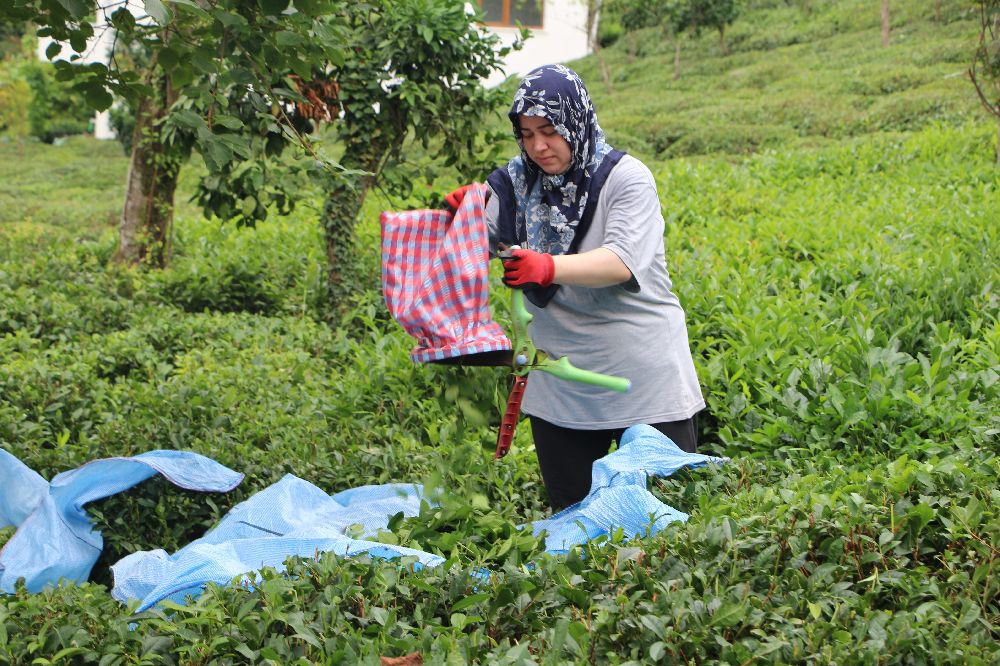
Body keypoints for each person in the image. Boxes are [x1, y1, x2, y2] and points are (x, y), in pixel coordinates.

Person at [464, 64, 705, 510]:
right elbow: (472, 247)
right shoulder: (514, 186)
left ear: (576, 120)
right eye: (526, 133)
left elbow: (620, 261)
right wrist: (460, 218)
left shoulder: (626, 178)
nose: (538, 146)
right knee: (575, 526)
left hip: (643, 381)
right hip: (561, 390)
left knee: (668, 523)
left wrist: (548, 266)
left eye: (550, 131)